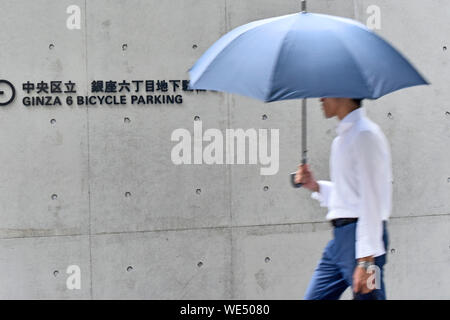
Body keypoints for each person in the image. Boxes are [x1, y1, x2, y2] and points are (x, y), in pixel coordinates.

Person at [296, 98, 392, 300]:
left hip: (360, 240)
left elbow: (372, 198)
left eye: (326, 93)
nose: (320, 98)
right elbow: (348, 195)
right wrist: (315, 185)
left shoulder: (365, 135)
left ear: (343, 93)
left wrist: (366, 260)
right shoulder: (342, 140)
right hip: (339, 241)